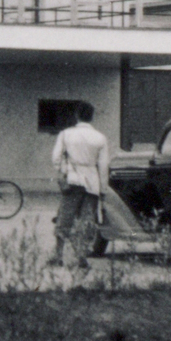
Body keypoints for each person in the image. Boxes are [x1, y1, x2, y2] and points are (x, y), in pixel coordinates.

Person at [49, 102, 111, 267]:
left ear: (77, 115)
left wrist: (64, 170)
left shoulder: (65, 134)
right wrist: (103, 188)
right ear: (92, 117)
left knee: (64, 218)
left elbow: (56, 158)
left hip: (73, 181)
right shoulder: (100, 138)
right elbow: (103, 166)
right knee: (87, 220)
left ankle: (58, 256)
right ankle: (81, 257)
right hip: (92, 182)